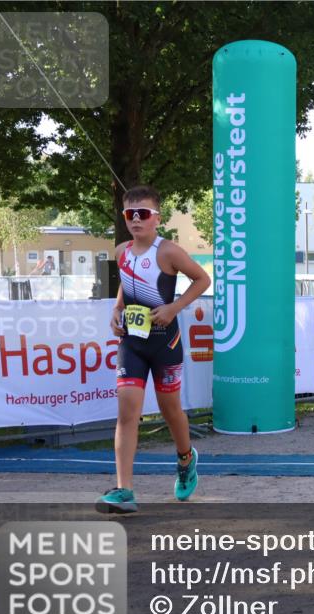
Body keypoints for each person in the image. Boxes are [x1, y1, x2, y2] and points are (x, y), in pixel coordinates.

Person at [97, 185, 211, 514]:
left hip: (165, 343)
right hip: (132, 342)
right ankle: (124, 490)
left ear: (156, 218)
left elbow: (202, 280)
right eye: (129, 214)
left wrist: (175, 308)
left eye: (142, 214)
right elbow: (126, 285)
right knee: (127, 410)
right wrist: (117, 311)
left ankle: (186, 458)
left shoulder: (168, 252)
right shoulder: (122, 252)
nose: (135, 219)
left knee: (170, 409)